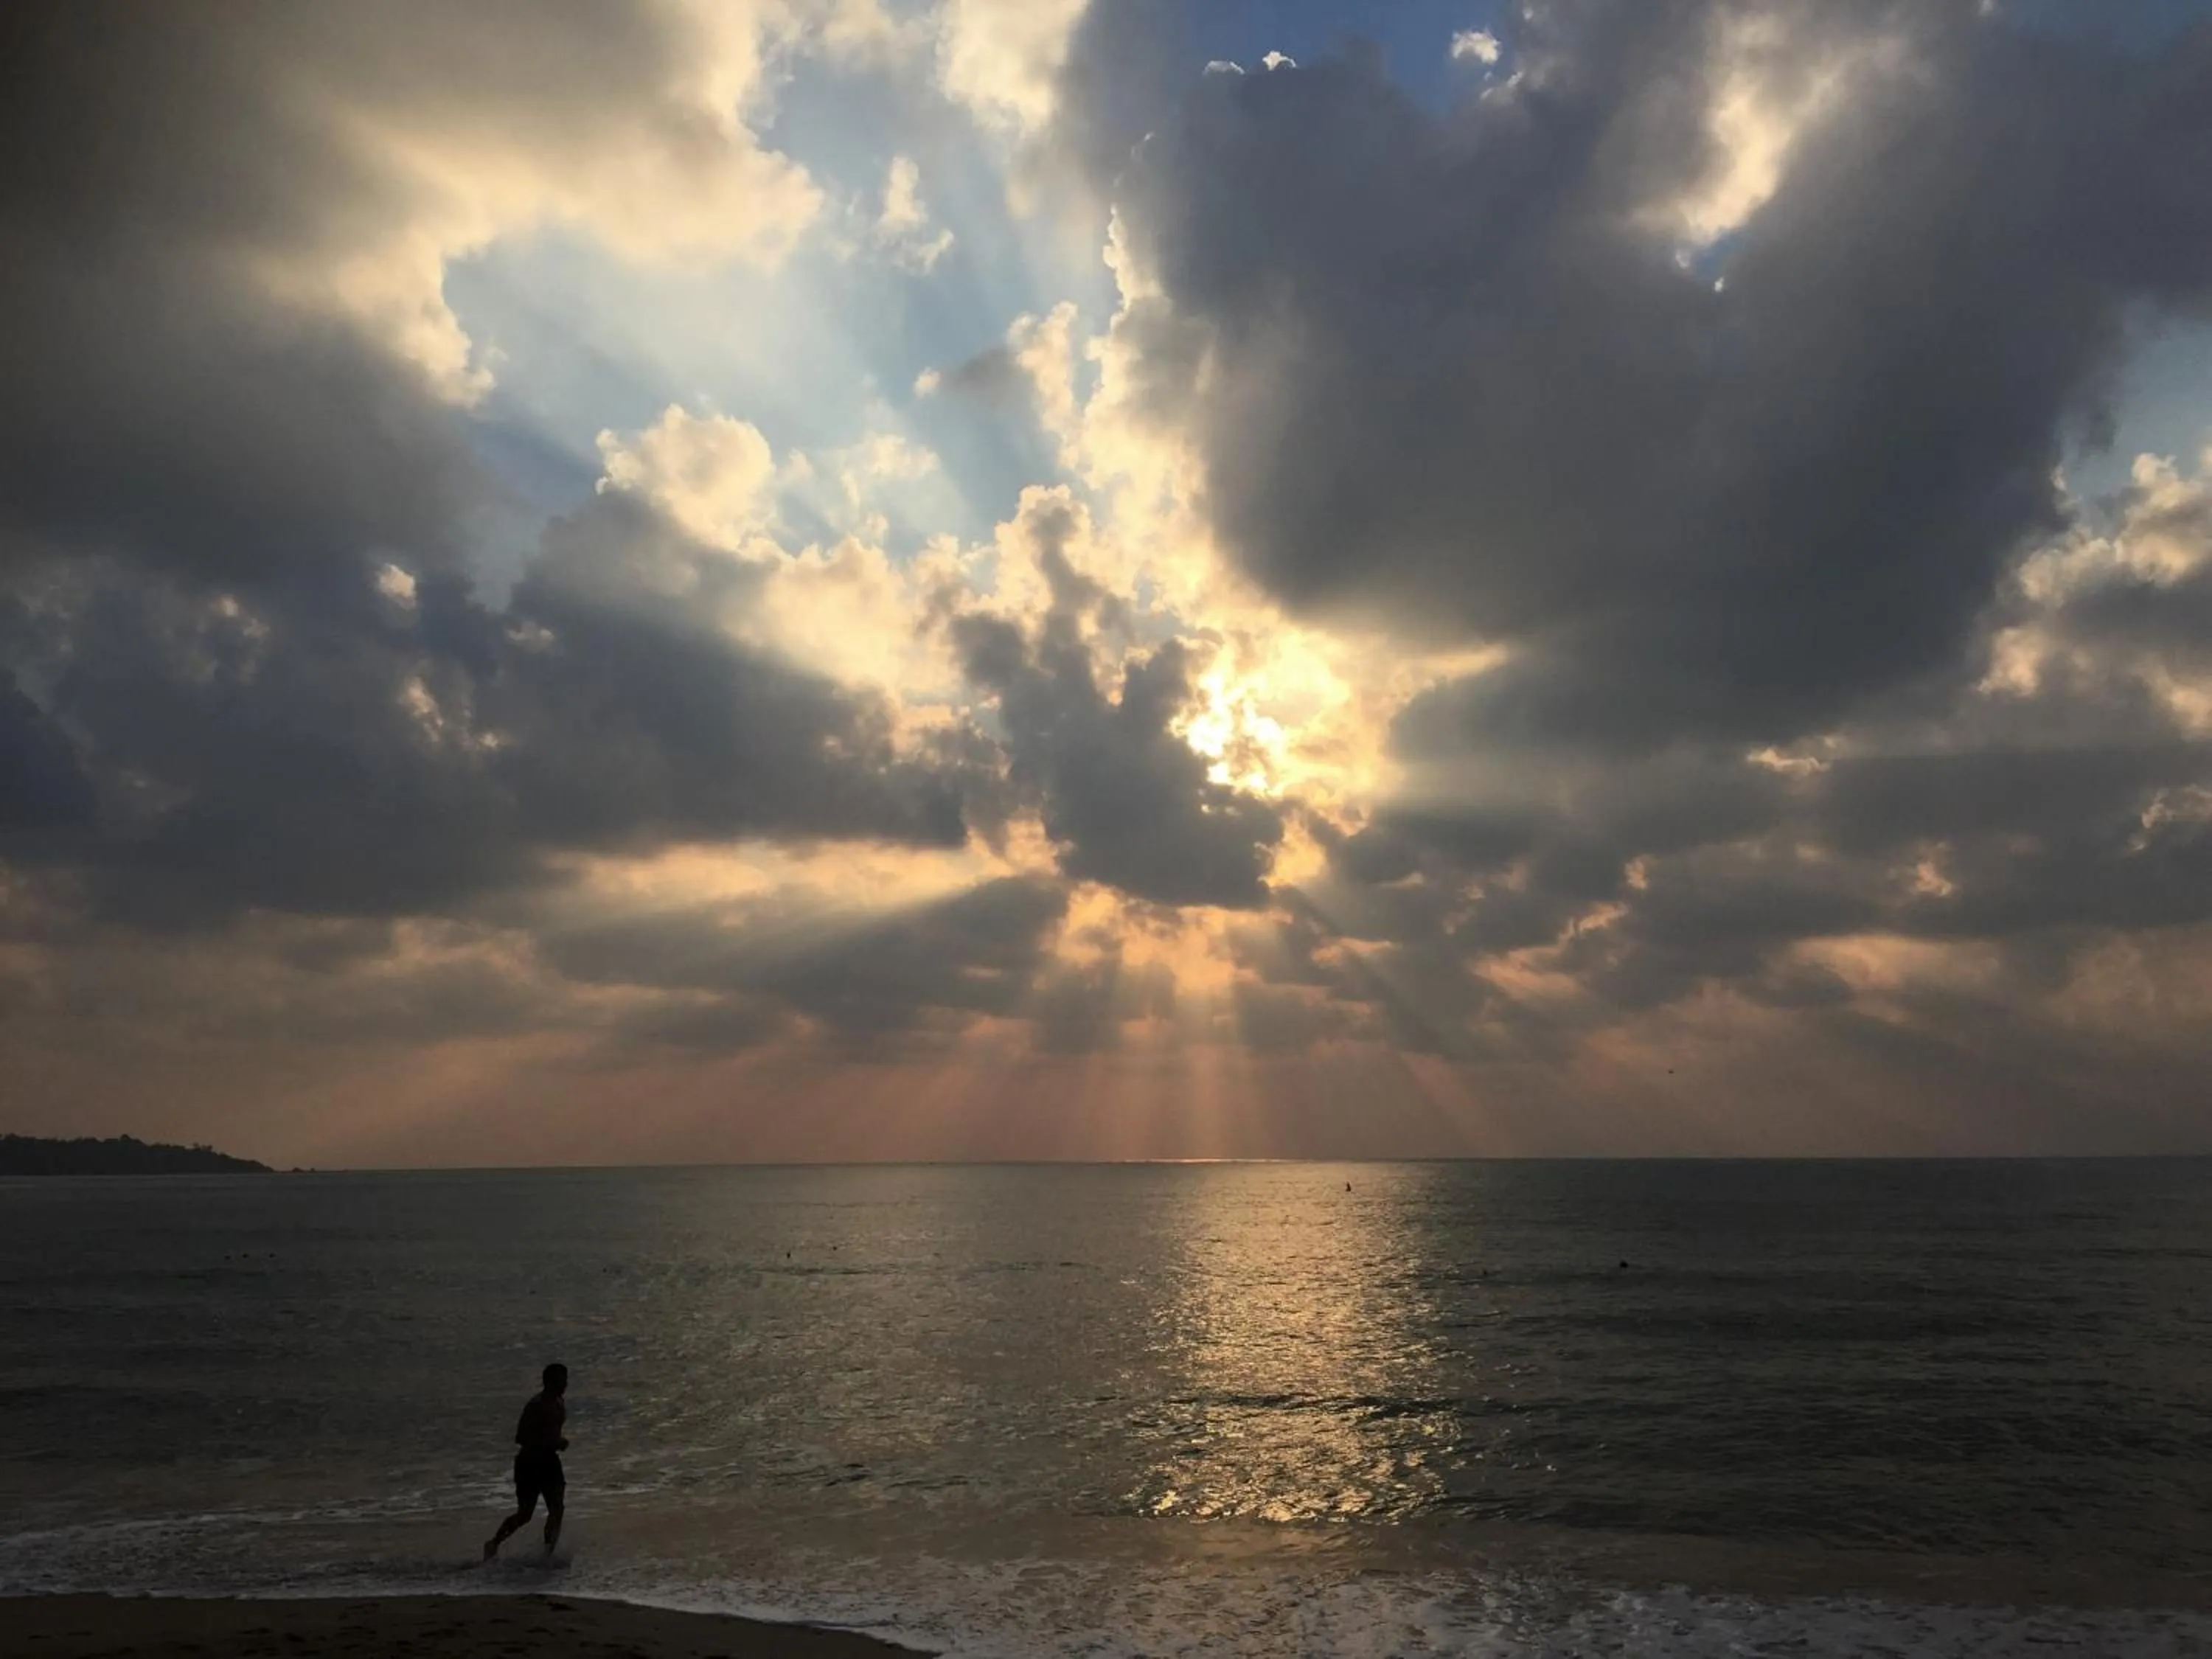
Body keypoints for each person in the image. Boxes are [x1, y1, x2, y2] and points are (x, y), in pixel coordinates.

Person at [483, 1363, 568, 1560]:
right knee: (525, 1514)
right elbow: (520, 1438)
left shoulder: (559, 1402)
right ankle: (494, 1543)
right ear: (548, 1382)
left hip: (550, 1462)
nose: (565, 1384)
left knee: (557, 1509)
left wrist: (555, 1443)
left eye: (565, 1380)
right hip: (529, 1463)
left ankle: (548, 1554)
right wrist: (553, 1442)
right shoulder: (536, 1406)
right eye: (560, 1381)